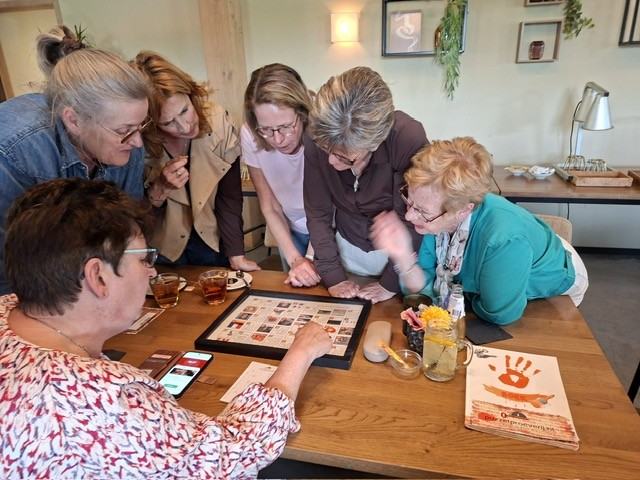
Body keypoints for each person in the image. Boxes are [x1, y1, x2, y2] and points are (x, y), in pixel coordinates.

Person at [0, 178, 332, 478]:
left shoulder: (7, 309)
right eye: (144, 259)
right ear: (98, 277)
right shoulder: (104, 401)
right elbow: (234, 453)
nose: (152, 273)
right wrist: (300, 353)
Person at [371, 137, 589, 325]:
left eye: (422, 211)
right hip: (517, 250)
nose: (409, 216)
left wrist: (462, 294)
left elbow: (500, 313)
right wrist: (403, 258)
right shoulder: (434, 216)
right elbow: (421, 292)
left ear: (463, 210)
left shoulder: (503, 241)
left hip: (555, 273)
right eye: (409, 200)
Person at [0, 25, 149, 295]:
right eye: (124, 131)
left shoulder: (129, 144)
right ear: (73, 120)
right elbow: (8, 264)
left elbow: (126, 235)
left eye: (140, 126)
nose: (137, 142)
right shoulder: (15, 150)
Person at [304, 66, 428, 304]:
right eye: (325, 151)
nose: (330, 162)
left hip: (398, 252)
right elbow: (317, 211)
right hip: (345, 244)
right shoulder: (317, 133)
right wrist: (333, 276)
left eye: (344, 157)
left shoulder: (406, 138)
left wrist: (390, 283)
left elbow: (412, 218)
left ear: (375, 142)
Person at [132, 51, 259, 271]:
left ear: (191, 94)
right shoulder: (138, 143)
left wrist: (236, 254)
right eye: (168, 122)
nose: (184, 127)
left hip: (213, 241)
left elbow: (229, 198)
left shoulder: (219, 123)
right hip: (163, 250)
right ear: (149, 124)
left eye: (185, 110)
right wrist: (160, 189)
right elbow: (133, 217)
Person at [242, 63, 321, 287]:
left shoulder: (321, 129)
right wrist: (296, 259)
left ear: (302, 113)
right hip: (289, 229)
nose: (278, 140)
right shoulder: (250, 134)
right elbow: (270, 206)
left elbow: (329, 206)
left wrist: (310, 257)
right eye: (266, 129)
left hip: (330, 227)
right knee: (299, 290)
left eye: (286, 126)